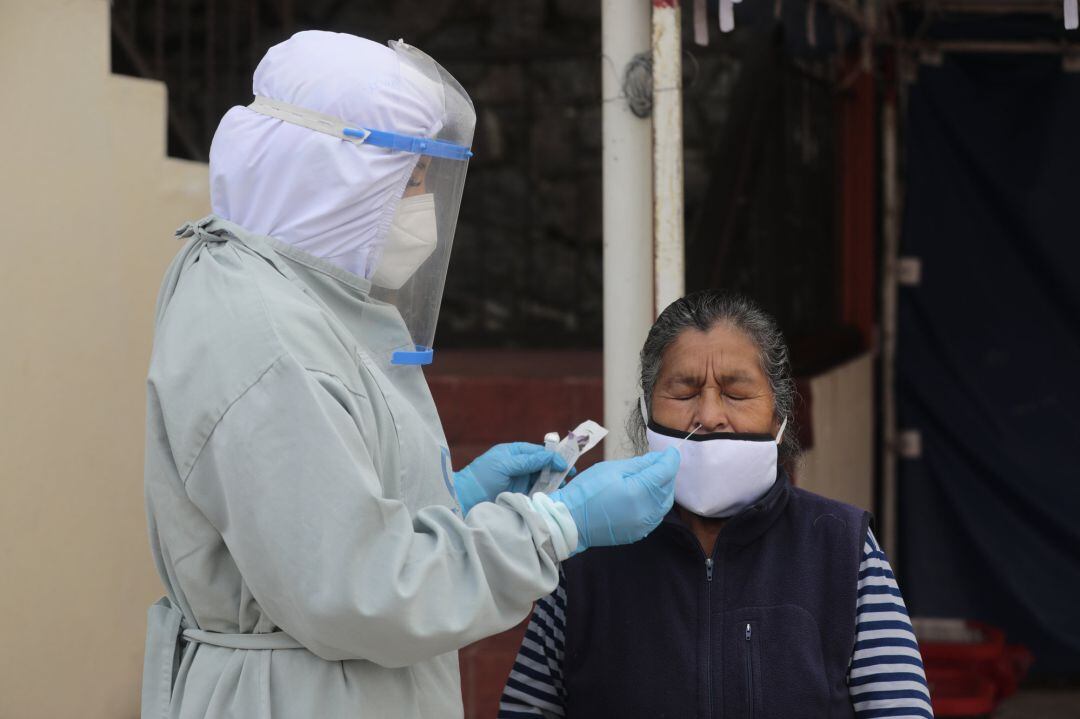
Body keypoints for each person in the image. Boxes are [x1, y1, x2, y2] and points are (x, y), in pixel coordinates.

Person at [141, 31, 680, 719]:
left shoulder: (291, 295)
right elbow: (360, 591)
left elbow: (318, 523)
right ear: (336, 175)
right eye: (411, 182)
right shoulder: (268, 337)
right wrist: (552, 527)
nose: (422, 209)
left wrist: (445, 503)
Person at [499, 291, 933, 719]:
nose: (708, 415)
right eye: (684, 393)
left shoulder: (843, 548)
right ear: (647, 415)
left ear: (778, 416)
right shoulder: (586, 553)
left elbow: (901, 709)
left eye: (736, 394)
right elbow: (526, 707)